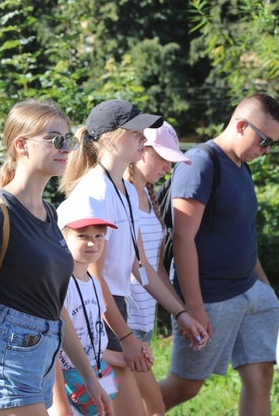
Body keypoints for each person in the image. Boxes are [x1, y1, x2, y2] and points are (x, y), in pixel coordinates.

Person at [0, 99, 113, 416]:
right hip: (8, 353)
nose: (65, 147)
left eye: (68, 139)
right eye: (55, 139)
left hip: (43, 352)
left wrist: (90, 377)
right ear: (21, 145)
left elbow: (56, 308)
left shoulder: (50, 213)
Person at [59, 100, 208, 416]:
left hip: (113, 311)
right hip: (98, 314)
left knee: (153, 406)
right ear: (110, 137)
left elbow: (140, 266)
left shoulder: (123, 190)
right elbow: (93, 278)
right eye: (137, 131)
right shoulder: (95, 193)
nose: (145, 138)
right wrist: (125, 338)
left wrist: (181, 314)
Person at [158, 94, 279, 415]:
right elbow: (183, 238)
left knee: (261, 375)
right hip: (212, 297)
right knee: (186, 385)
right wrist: (193, 307)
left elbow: (243, 234)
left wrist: (266, 289)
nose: (266, 150)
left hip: (252, 292)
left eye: (273, 144)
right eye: (264, 140)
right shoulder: (202, 162)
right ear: (241, 125)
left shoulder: (242, 166)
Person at [123, 121, 190, 416]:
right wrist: (181, 313)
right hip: (122, 320)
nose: (168, 167)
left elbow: (155, 265)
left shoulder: (149, 194)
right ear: (141, 149)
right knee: (152, 407)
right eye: (163, 157)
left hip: (144, 318)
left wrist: (181, 312)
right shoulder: (120, 194)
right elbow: (137, 265)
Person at [52, 196, 124, 416]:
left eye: (99, 235)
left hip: (90, 382)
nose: (93, 243)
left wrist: (123, 359)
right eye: (83, 235)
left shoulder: (93, 282)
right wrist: (60, 405)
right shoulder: (59, 285)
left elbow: (93, 344)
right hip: (65, 388)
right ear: (62, 237)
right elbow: (52, 350)